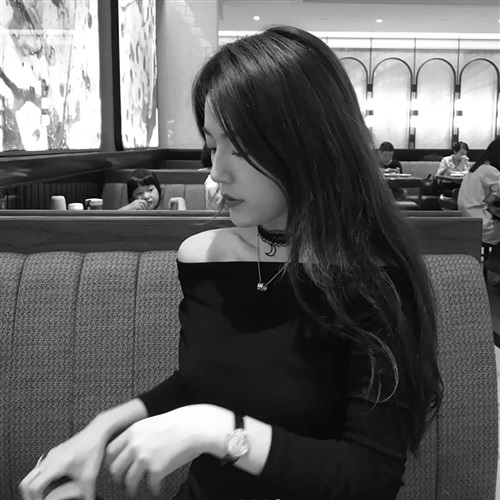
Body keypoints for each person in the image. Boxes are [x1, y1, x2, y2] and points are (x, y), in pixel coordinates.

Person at [19, 26, 442, 500]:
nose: (217, 171)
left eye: (239, 146)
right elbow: (205, 380)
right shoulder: (206, 258)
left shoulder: (376, 281)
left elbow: (370, 478)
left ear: (308, 143)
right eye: (212, 144)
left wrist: (217, 431)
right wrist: (101, 429)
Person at [458, 138, 500, 283]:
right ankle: (496, 263)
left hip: (468, 221)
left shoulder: (476, 168)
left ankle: (495, 263)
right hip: (481, 224)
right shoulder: (489, 170)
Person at [118, 168, 187, 211]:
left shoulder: (164, 214)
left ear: (158, 191)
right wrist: (127, 209)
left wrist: (180, 201)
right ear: (132, 198)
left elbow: (183, 226)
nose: (146, 196)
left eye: (150, 190)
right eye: (139, 193)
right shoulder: (129, 216)